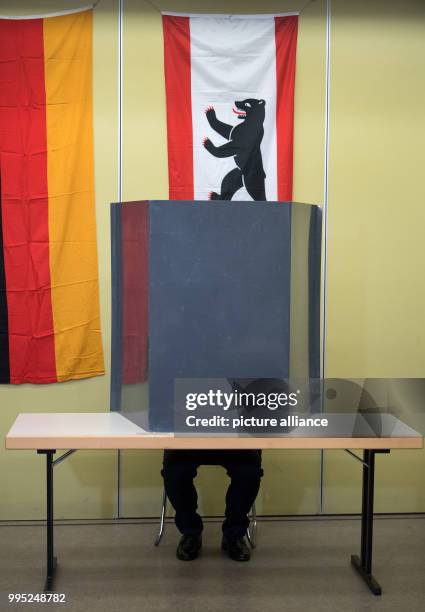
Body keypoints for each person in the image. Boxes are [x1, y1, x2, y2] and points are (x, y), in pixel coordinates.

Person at [161, 449, 263, 562]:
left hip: (234, 443)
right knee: (175, 469)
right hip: (188, 442)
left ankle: (234, 533)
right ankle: (190, 532)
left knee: (249, 469)